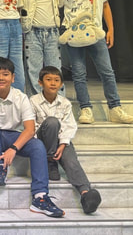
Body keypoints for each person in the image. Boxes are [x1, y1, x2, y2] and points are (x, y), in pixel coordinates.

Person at [0, 57, 65, 218]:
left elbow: (29, 129)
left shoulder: (21, 97)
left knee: (38, 146)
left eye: (5, 74)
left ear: (13, 78)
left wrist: (13, 149)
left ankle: (40, 196)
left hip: (13, 137)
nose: (1, 78)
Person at [60, 0, 133, 124]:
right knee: (79, 73)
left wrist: (111, 30)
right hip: (74, 35)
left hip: (96, 32)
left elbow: (106, 6)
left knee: (107, 72)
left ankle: (115, 108)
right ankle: (85, 108)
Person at [30, 65, 102, 214]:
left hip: (59, 141)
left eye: (56, 80)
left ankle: (85, 194)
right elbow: (31, 126)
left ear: (61, 84)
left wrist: (62, 145)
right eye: (48, 79)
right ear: (40, 82)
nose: (53, 83)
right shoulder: (33, 101)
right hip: (41, 142)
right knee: (52, 122)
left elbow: (69, 126)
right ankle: (50, 162)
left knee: (71, 160)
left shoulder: (65, 103)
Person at [18, 0, 63, 96]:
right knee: (33, 68)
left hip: (52, 33)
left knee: (55, 67)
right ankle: (36, 100)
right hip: (32, 33)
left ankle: (57, 100)